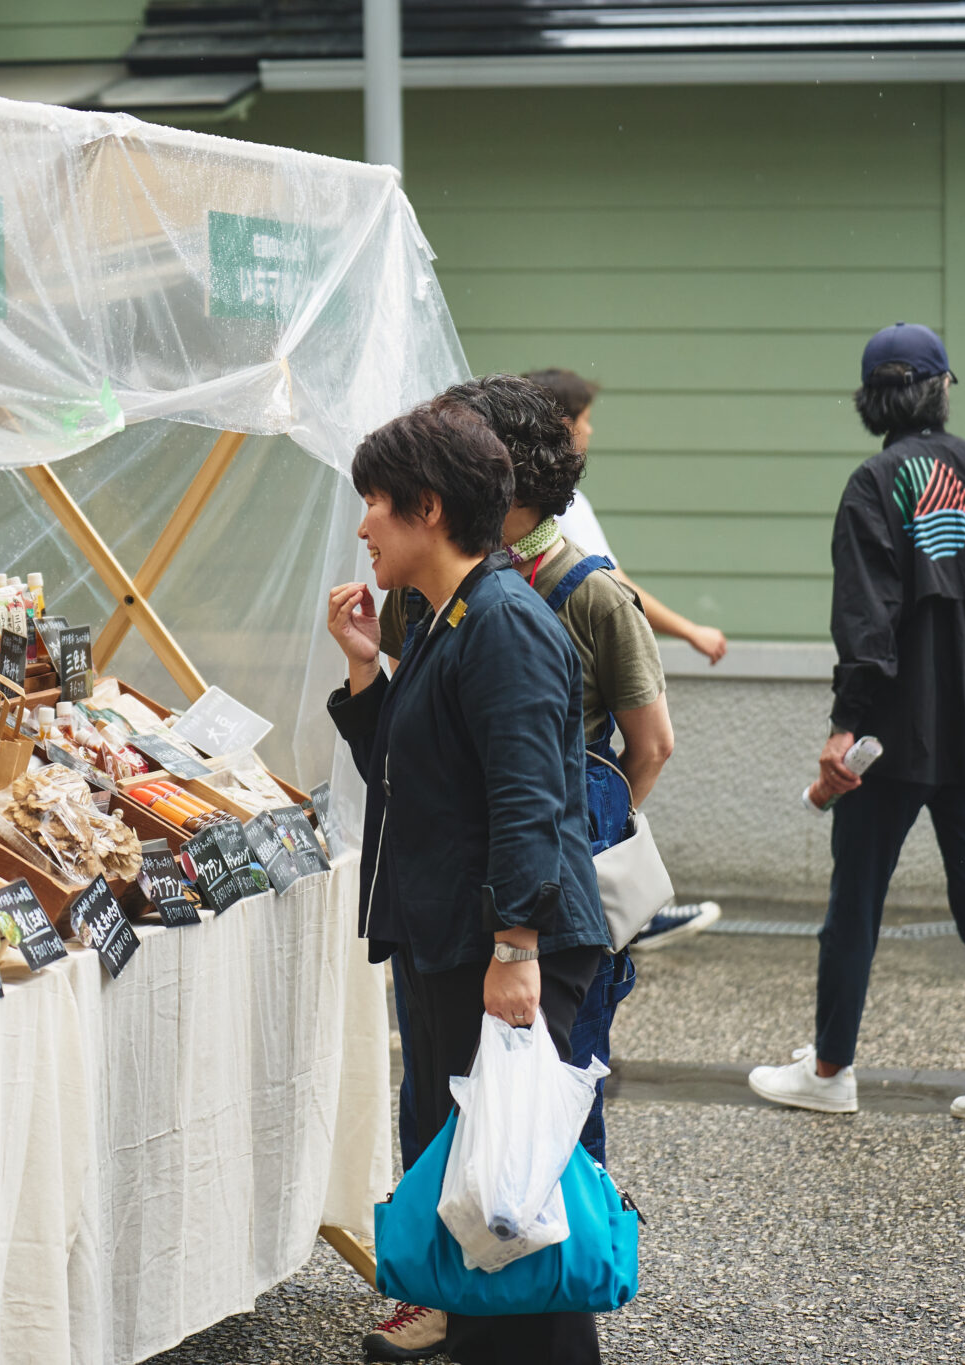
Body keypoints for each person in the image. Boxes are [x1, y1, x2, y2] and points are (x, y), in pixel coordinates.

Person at [326, 400, 609, 1363]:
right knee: (487, 1190)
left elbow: (529, 799)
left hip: (505, 949)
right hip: (461, 941)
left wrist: (516, 947)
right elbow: (417, 779)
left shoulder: (502, 623)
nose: (363, 525)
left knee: (516, 1194)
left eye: (375, 502)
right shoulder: (451, 617)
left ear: (429, 507)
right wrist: (368, 671)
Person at [747, 322, 965, 1129]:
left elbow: (867, 621)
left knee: (855, 900)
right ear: (943, 389)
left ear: (871, 400)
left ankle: (830, 1070)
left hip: (888, 737)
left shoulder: (876, 483)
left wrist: (844, 724)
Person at [443, 374, 672, 1170]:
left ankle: (570, 1272)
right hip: (463, 873)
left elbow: (651, 744)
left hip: (552, 885)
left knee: (563, 1076)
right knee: (457, 1085)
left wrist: (583, 832)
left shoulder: (596, 596)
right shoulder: (431, 589)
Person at [525, 367, 726, 951]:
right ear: (562, 425)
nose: (590, 431)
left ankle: (623, 898)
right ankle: (623, 895)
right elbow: (614, 584)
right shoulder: (567, 513)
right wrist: (601, 835)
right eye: (585, 419)